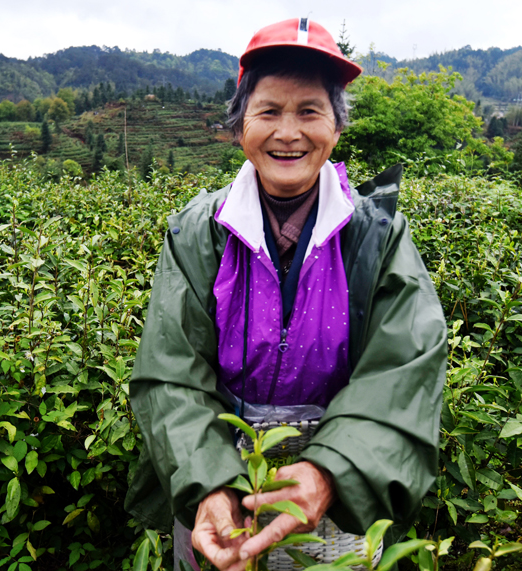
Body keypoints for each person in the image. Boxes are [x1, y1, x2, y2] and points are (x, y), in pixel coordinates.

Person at [124, 18, 447, 571]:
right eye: (269, 111)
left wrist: (330, 471)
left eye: (310, 111)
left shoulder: (376, 234)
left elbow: (404, 370)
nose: (288, 132)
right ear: (239, 126)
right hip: (220, 476)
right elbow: (171, 372)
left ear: (337, 127)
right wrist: (210, 483)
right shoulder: (199, 231)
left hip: (334, 488)